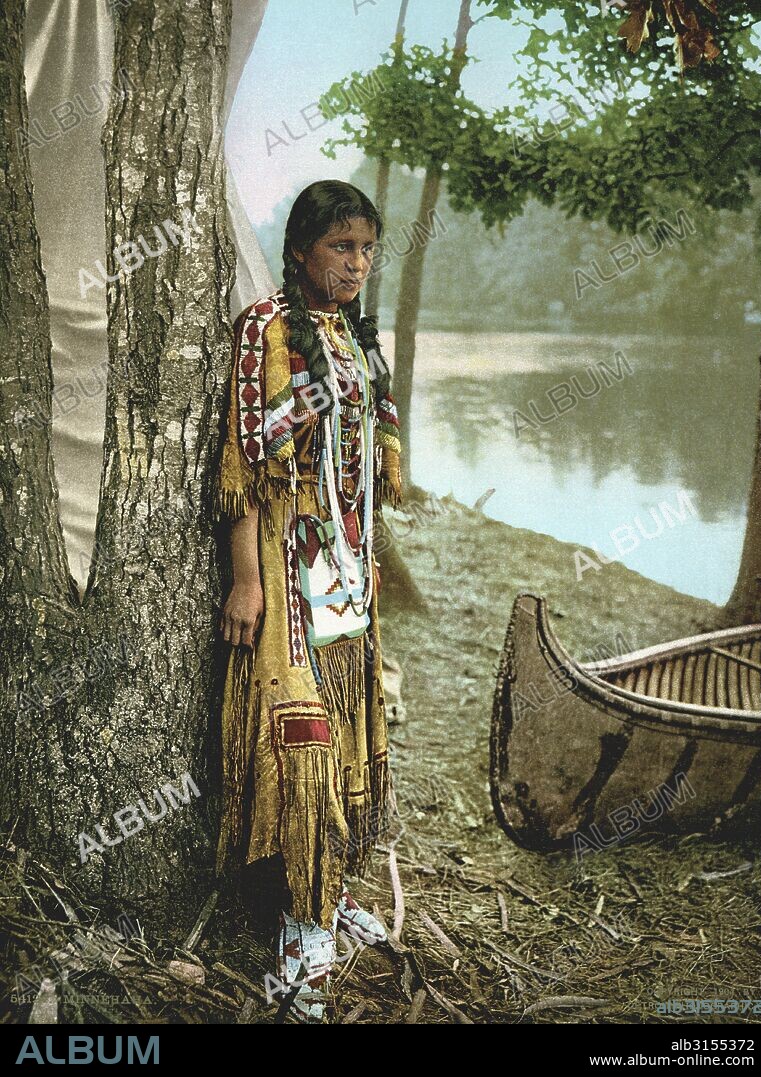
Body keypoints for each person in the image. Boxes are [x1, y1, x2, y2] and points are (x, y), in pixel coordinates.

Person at [213, 180, 402, 1022]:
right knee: (302, 738)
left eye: (366, 248)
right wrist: (245, 577)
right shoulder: (266, 328)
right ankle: (299, 926)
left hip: (348, 572)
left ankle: (330, 895)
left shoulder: (357, 337)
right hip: (287, 571)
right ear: (299, 250)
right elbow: (246, 459)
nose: (357, 263)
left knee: (355, 728)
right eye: (341, 248)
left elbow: (370, 439)